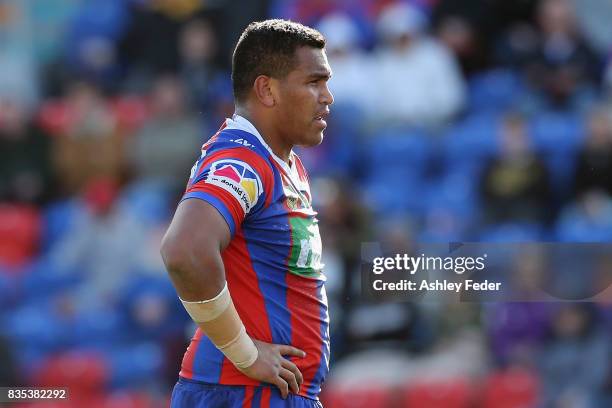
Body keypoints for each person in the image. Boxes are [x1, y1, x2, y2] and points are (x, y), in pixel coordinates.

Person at [160, 19, 333, 407]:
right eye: (313, 82)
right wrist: (246, 354)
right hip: (243, 392)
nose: (327, 96)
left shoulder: (280, 161)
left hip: (272, 392)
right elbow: (184, 251)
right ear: (267, 89)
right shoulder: (242, 160)